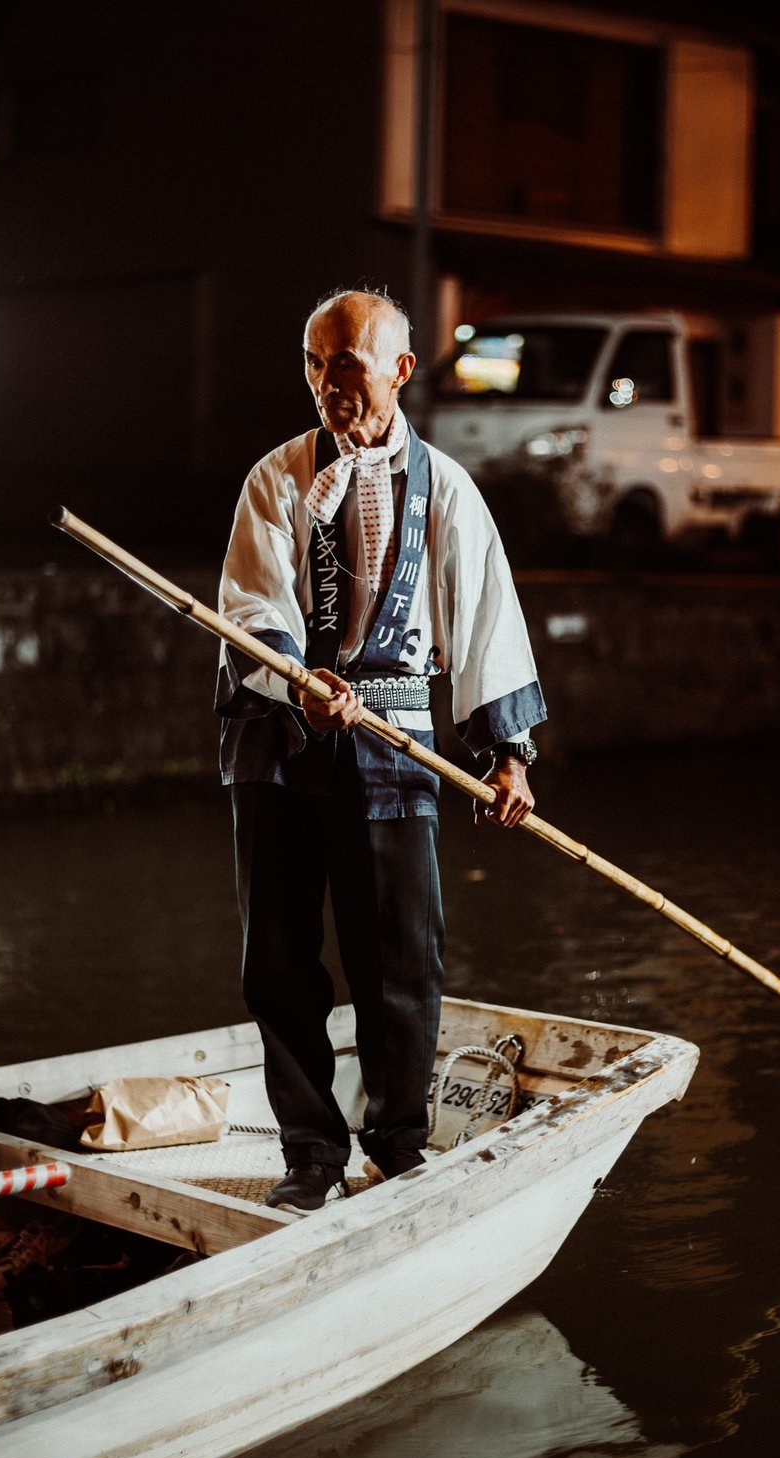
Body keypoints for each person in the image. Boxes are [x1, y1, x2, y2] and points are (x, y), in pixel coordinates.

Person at [214, 287, 546, 1214]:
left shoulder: (446, 489)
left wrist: (508, 754)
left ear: (400, 369)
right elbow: (251, 610)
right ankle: (312, 1152)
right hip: (281, 738)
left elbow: (486, 619)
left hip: (394, 737)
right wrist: (296, 683)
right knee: (278, 957)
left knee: (402, 955)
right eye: (315, 364)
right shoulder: (275, 480)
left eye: (347, 363)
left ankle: (399, 1142)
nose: (328, 383)